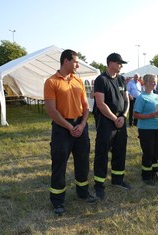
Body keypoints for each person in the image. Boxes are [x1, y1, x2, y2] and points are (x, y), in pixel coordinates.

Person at [44, 49, 95, 216]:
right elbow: (52, 111)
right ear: (65, 61)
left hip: (80, 125)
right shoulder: (51, 82)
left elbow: (86, 107)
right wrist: (69, 126)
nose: (78, 65)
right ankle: (58, 201)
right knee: (59, 164)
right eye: (75, 61)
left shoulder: (78, 81)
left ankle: (83, 193)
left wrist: (81, 125)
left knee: (83, 162)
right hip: (61, 128)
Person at [93, 53, 130, 200]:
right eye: (119, 63)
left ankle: (118, 180)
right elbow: (101, 104)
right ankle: (99, 185)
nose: (121, 65)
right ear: (110, 63)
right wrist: (115, 118)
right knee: (102, 153)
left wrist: (124, 116)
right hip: (107, 122)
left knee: (120, 150)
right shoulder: (101, 80)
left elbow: (127, 99)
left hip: (121, 120)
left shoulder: (121, 79)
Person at [133, 74, 158, 185]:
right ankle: (146, 175)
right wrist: (149, 116)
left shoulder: (157, 96)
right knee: (148, 152)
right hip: (146, 129)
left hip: (157, 127)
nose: (155, 83)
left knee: (157, 151)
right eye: (152, 81)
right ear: (145, 83)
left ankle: (154, 172)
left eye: (155, 81)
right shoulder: (141, 97)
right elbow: (136, 115)